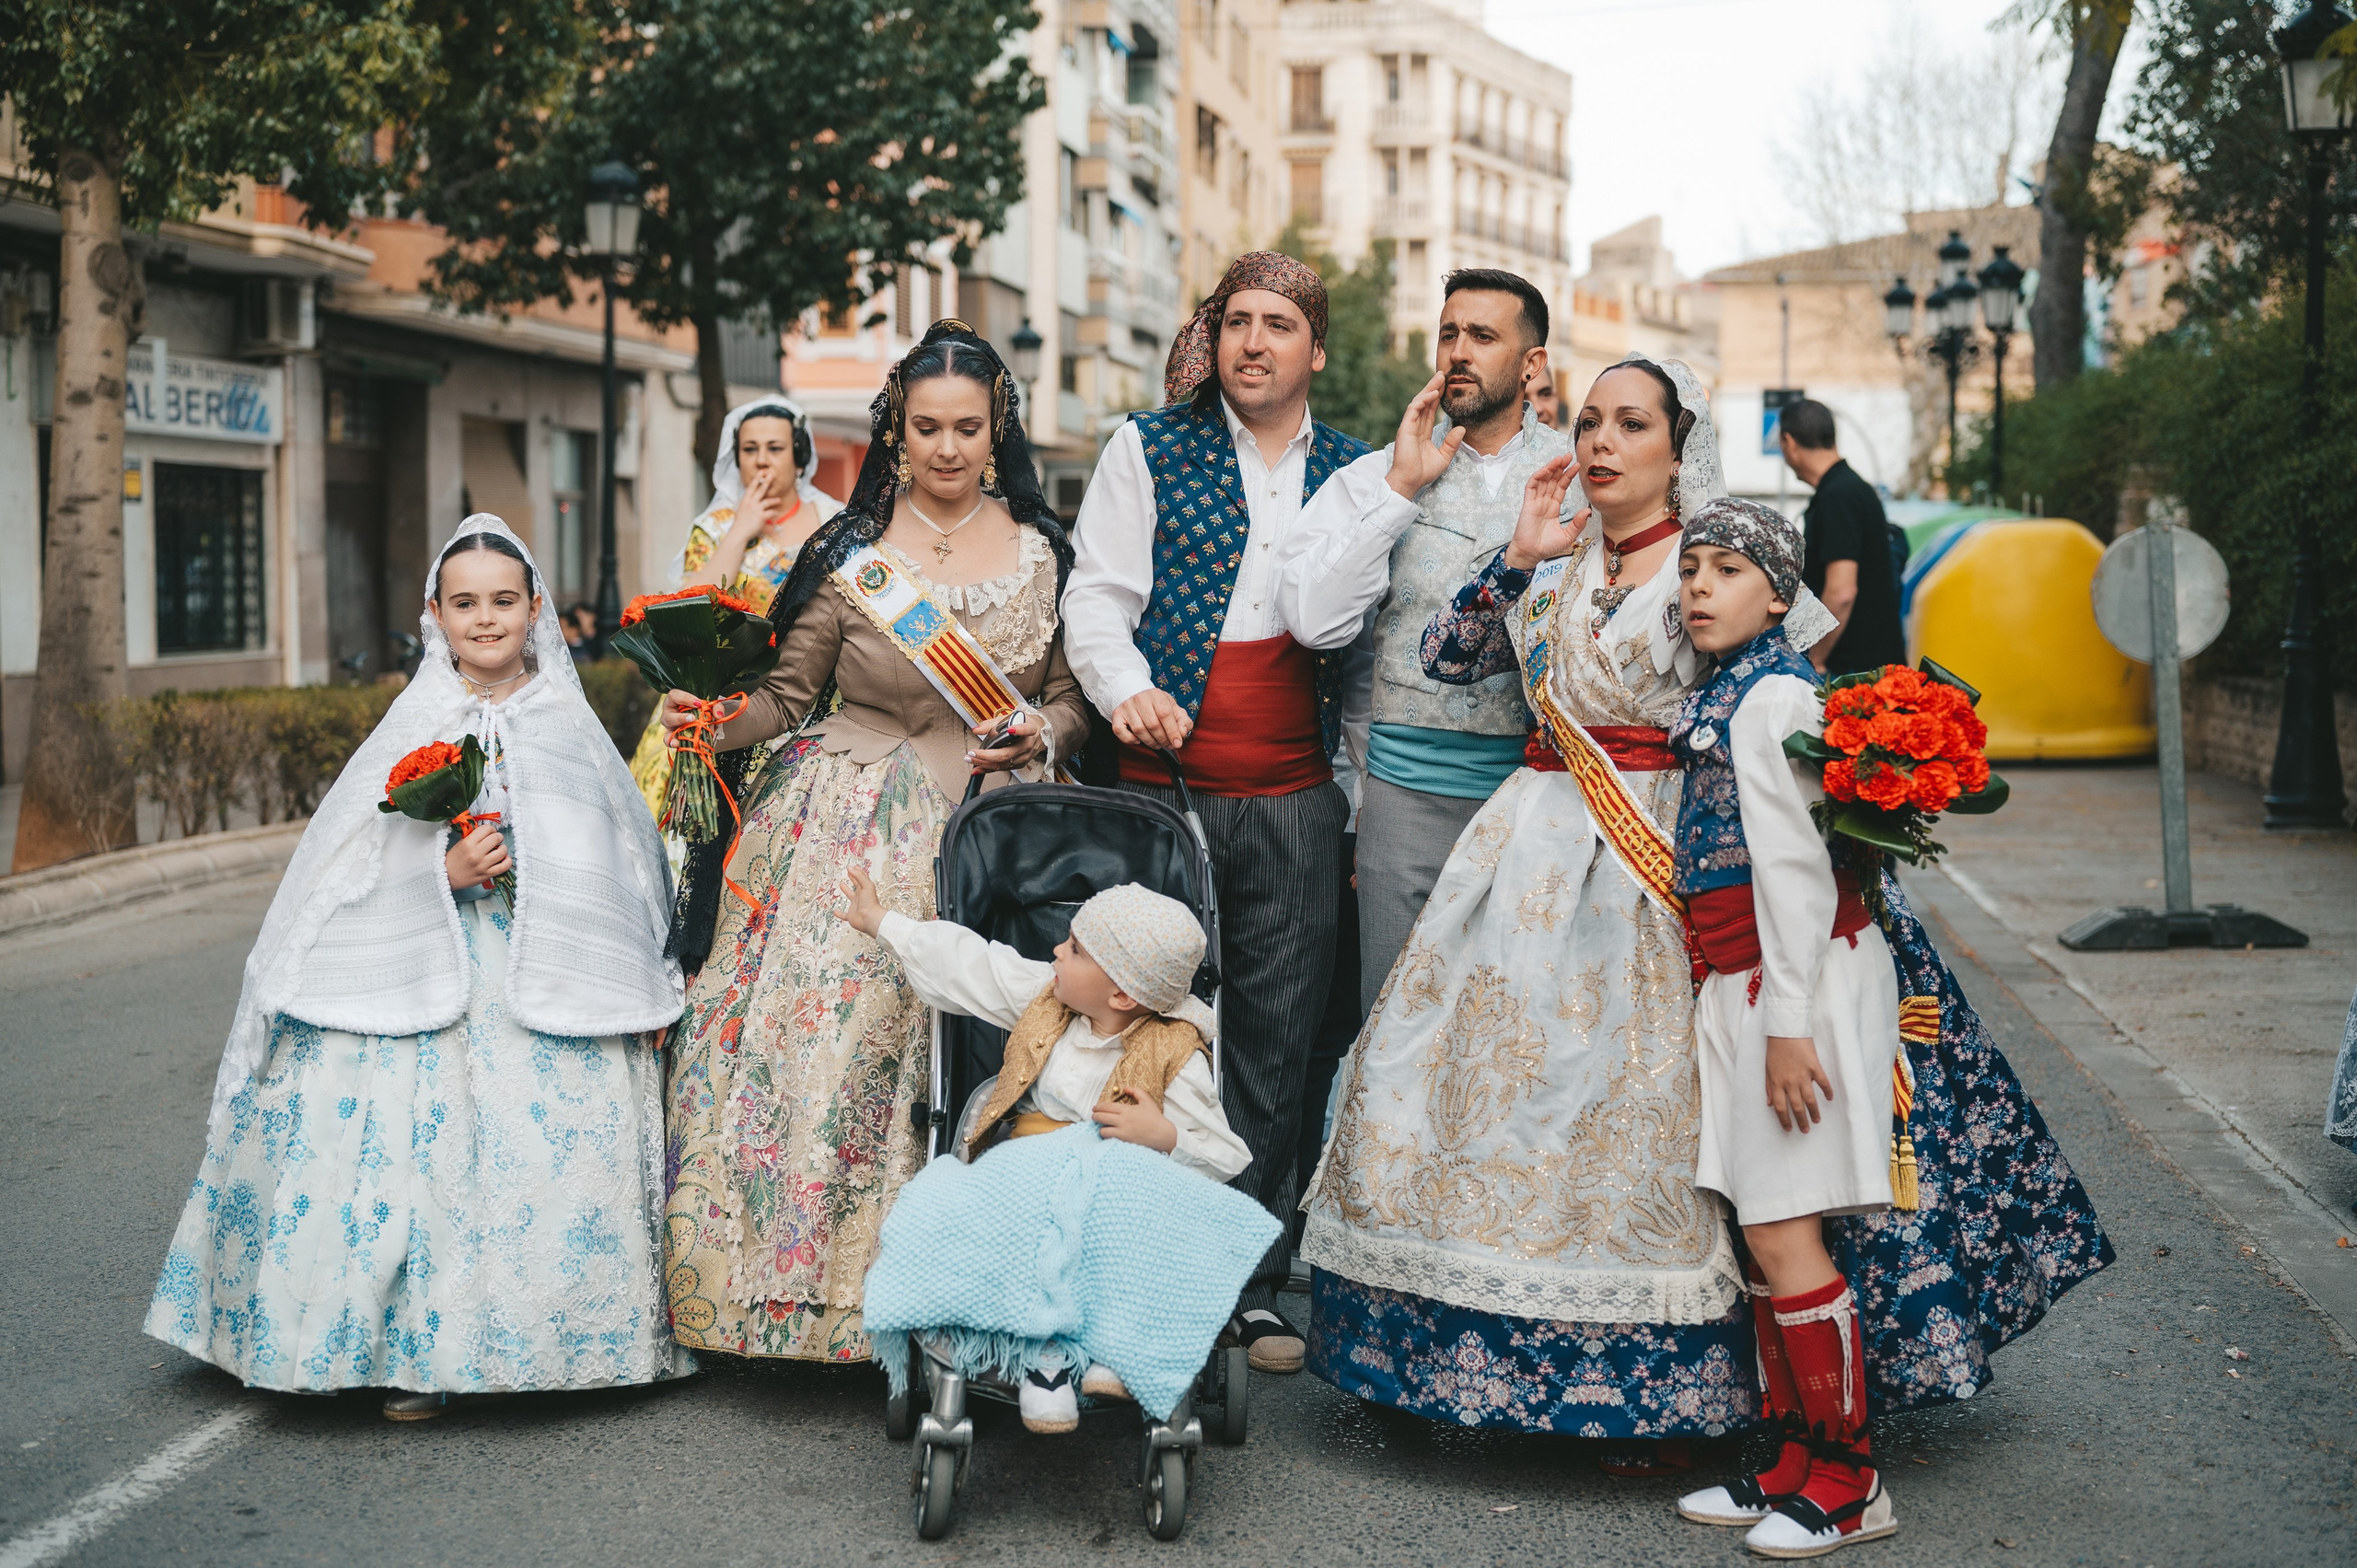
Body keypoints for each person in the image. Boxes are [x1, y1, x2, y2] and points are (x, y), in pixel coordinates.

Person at [1302, 356, 1775, 1464]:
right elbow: (1446, 660)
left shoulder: (1714, 570)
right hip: (1521, 850)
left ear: (1677, 446)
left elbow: (1768, 712)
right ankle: (1429, 1358)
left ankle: (1648, 1384)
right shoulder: (1556, 561)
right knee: (1453, 1086)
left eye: (1632, 423)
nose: (1602, 442)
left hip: (1650, 851)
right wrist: (1515, 555)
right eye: (1590, 420)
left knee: (1617, 1102)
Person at [145, 517, 691, 1420]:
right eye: (466, 603)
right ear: (436, 613)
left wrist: (632, 957)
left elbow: (619, 858)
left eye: (504, 601)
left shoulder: (565, 720)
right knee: (411, 1160)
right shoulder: (417, 720)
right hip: (427, 965)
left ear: (534, 608)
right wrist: (442, 870)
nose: (486, 620)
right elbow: (347, 865)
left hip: (551, 968)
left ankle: (556, 1342)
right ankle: (410, 1355)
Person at [654, 321, 1092, 1365]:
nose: (947, 448)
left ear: (998, 433)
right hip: (838, 825)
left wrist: (1046, 730)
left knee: (970, 1054)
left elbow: (1073, 698)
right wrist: (711, 719)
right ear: (896, 430)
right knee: (823, 1049)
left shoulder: (1043, 553)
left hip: (988, 821)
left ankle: (946, 1284)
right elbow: (787, 695)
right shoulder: (850, 557)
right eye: (927, 427)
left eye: (968, 428)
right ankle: (800, 1300)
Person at [1059, 251, 1371, 1375]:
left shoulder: (1356, 470)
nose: (1252, 341)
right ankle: (1130, 1253)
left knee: (1280, 1040)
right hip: (1160, 793)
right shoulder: (1145, 447)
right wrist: (1124, 688)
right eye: (1236, 320)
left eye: (1278, 323)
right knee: (1143, 1024)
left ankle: (1247, 1280)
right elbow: (1095, 595)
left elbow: (1354, 642)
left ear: (1313, 349)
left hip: (1294, 792)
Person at [1664, 498, 1902, 1555]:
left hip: (1786, 987)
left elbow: (1798, 873)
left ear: (1778, 594)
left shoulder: (1772, 698)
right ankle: (1789, 1459)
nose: (1698, 586)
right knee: (1762, 1225)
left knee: (1785, 1225)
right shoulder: (1731, 689)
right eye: (1689, 568)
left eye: (1723, 568)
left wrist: (1790, 1025)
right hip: (1736, 980)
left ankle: (1851, 1480)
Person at [839, 868, 1251, 1433]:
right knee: (963, 1213)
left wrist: (1165, 1136)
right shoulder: (1048, 999)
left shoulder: (1174, 1055)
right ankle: (1045, 1364)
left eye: (1075, 948)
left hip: (1108, 1189)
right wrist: (882, 923)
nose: (1057, 949)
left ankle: (1105, 1353)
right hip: (1026, 1171)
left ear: (1122, 992)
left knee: (1124, 1237)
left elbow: (1224, 1155)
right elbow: (976, 965)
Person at [1277, 267, 1569, 1006]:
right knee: (1393, 1018)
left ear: (1532, 363)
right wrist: (1398, 492)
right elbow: (1313, 622)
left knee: (1510, 1026)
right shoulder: (1379, 472)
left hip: (1536, 796)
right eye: (1448, 334)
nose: (1458, 352)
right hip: (1403, 794)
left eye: (1482, 336)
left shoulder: (1581, 475)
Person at [628, 396, 842, 820]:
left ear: (799, 458)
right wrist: (740, 531)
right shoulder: (715, 527)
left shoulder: (832, 520)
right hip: (719, 699)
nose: (762, 461)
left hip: (809, 696)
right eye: (750, 449)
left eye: (775, 448)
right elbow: (689, 611)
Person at [1777, 400, 1905, 676]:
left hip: (1850, 672)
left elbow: (1842, 591)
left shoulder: (1837, 498)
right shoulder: (1854, 488)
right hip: (1874, 666)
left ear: (1789, 442)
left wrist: (1816, 658)